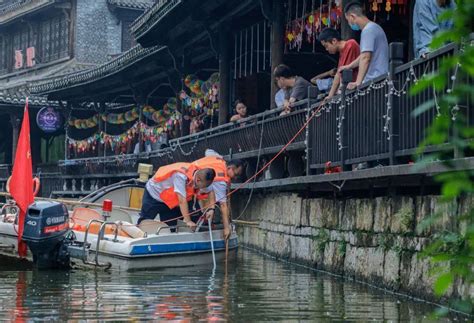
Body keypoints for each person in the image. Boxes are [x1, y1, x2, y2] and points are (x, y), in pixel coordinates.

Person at [137, 162, 216, 229]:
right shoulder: (180, 176)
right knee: (144, 223)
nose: (202, 189)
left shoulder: (202, 176)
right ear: (198, 180)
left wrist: (211, 209)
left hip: (170, 201)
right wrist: (188, 221)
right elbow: (182, 200)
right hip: (154, 195)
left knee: (171, 227)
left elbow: (210, 191)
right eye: (201, 187)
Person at [192, 153, 244, 241]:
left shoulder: (220, 162)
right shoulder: (220, 180)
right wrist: (227, 228)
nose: (235, 177)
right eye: (236, 174)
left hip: (192, 177)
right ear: (230, 168)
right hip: (189, 187)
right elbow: (223, 205)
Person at [339, 1, 389, 90]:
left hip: (375, 81)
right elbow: (363, 55)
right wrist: (349, 66)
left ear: (352, 17)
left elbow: (366, 57)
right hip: (380, 78)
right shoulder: (375, 27)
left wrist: (358, 82)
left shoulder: (368, 30)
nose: (349, 24)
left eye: (348, 21)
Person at [316, 28, 360, 103]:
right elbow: (338, 74)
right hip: (352, 92)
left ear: (334, 41)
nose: (326, 49)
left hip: (358, 90)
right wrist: (330, 95)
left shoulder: (350, 44)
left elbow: (339, 74)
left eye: (326, 46)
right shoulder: (341, 53)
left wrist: (330, 95)